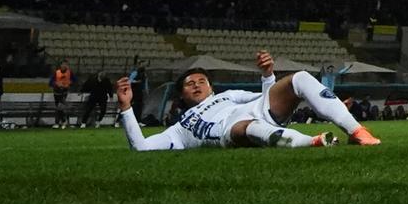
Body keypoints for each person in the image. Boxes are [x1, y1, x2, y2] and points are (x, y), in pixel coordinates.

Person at [114, 50, 379, 151]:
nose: (196, 85)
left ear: (211, 87)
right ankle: (313, 142)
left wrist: (268, 75)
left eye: (201, 81)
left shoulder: (228, 96)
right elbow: (142, 147)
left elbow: (266, 96)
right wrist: (126, 107)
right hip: (233, 130)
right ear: (181, 95)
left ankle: (356, 130)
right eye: (189, 83)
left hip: (257, 110)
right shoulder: (179, 128)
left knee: (299, 79)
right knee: (247, 126)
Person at [50, 59, 74, 129]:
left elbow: (75, 81)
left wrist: (70, 83)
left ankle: (59, 122)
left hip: (64, 92)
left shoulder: (70, 73)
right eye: (63, 64)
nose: (64, 66)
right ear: (60, 65)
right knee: (59, 107)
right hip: (56, 92)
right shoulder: (56, 72)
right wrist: (56, 84)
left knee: (60, 107)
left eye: (66, 64)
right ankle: (63, 121)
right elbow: (51, 82)